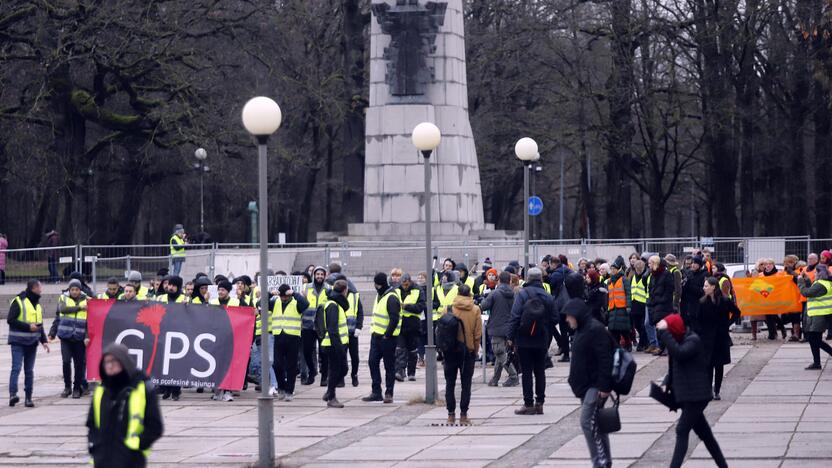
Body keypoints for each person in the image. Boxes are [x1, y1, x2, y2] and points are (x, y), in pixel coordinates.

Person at [657, 314, 728, 468]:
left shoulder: (692, 340)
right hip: (689, 395)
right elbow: (675, 365)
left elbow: (679, 354)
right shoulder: (680, 340)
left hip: (697, 396)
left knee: (681, 429)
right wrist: (666, 382)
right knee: (706, 436)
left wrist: (665, 332)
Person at [565, 274, 614, 468]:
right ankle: (605, 460)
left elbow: (605, 359)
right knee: (598, 424)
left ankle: (599, 462)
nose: (567, 320)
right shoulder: (582, 330)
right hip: (586, 385)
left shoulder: (594, 329)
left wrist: (604, 386)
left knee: (587, 422)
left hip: (595, 385)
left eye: (569, 316)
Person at [87, 343, 163, 467]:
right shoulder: (101, 391)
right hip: (103, 459)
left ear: (124, 362)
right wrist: (95, 446)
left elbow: (155, 426)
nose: (110, 366)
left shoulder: (143, 388)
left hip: (131, 459)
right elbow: (92, 424)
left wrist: (138, 444)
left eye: (114, 361)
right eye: (107, 362)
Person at [508, 267, 558, 415]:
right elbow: (555, 318)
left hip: (524, 339)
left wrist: (510, 337)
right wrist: (544, 325)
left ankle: (528, 404)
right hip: (542, 339)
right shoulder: (547, 296)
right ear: (541, 279)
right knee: (540, 371)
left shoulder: (523, 294)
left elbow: (515, 316)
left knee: (527, 372)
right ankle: (540, 403)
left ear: (528, 279)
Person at [443, 284, 482, 425]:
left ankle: (450, 415)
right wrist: (475, 350)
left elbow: (441, 331)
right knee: (466, 385)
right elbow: (477, 334)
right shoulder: (476, 310)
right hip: (468, 351)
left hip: (450, 351)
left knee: (450, 384)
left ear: (457, 293)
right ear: (470, 294)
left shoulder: (448, 309)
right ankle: (463, 415)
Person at [7, 279, 50, 407]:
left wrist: (44, 341)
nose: (41, 290)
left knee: (29, 371)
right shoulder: (18, 301)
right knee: (16, 368)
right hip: (18, 342)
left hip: (32, 342)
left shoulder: (37, 304)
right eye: (39, 287)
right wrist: (28, 327)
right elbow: (10, 320)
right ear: (33, 288)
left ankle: (28, 398)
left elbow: (39, 325)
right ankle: (13, 394)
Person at [697, 277, 740, 400]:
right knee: (708, 365)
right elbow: (697, 319)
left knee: (719, 364)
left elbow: (737, 312)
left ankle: (717, 390)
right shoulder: (702, 302)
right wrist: (700, 333)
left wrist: (727, 323)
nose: (704, 288)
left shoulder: (725, 301)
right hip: (707, 338)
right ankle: (708, 390)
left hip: (720, 337)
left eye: (706, 286)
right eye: (704, 286)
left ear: (713, 287)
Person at [363, 272, 401, 403]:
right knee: (372, 362)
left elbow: (394, 318)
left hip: (387, 339)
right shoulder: (379, 295)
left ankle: (389, 392)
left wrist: (387, 334)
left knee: (389, 366)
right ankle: (376, 391)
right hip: (376, 336)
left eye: (377, 284)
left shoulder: (391, 297)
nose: (375, 286)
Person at [49, 279, 90, 398]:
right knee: (66, 362)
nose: (74, 292)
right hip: (66, 337)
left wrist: (87, 336)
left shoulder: (87, 300)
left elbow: (89, 321)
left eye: (77, 289)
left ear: (80, 290)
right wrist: (80, 308)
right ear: (69, 290)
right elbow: (63, 310)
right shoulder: (63, 298)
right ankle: (67, 387)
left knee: (79, 364)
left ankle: (77, 388)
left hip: (79, 337)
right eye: (72, 289)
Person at [480, 271, 519, 387]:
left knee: (499, 352)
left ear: (499, 280)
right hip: (509, 327)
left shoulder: (495, 293)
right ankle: (495, 379)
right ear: (509, 281)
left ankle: (513, 376)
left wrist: (482, 300)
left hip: (497, 327)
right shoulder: (513, 294)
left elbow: (484, 306)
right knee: (500, 353)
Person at [271, 284, 309, 401]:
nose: (283, 299)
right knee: (277, 365)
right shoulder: (275, 302)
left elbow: (305, 305)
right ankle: (281, 388)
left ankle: (289, 390)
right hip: (278, 336)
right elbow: (261, 304)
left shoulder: (296, 302)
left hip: (293, 337)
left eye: (285, 296)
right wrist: (270, 294)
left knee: (291, 366)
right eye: (281, 296)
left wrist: (294, 294)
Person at [321, 280, 351, 408]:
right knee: (335, 370)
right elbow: (332, 329)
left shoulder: (337, 304)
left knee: (342, 369)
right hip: (333, 345)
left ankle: (329, 391)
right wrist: (338, 348)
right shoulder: (333, 305)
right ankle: (331, 397)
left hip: (339, 343)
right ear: (344, 290)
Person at [798, 266, 832, 369]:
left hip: (819, 315)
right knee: (815, 339)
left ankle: (818, 362)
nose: (815, 275)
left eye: (816, 273)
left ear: (819, 273)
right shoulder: (824, 283)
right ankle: (816, 363)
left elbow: (806, 292)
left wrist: (800, 282)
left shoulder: (821, 285)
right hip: (818, 315)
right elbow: (812, 289)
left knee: (813, 339)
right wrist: (807, 280)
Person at [302, 267, 328, 386]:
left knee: (324, 352)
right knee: (307, 351)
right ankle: (312, 371)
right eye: (317, 274)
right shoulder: (306, 288)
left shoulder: (328, 289)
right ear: (313, 275)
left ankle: (324, 376)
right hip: (307, 325)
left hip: (322, 326)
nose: (319, 276)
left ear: (325, 276)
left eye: (321, 274)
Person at [396, 273, 423, 383]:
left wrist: (407, 306)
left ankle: (411, 373)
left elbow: (421, 307)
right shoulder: (396, 290)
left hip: (413, 325)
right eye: (403, 284)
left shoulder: (418, 290)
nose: (405, 286)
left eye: (407, 284)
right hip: (400, 325)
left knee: (412, 350)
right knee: (400, 349)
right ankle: (400, 371)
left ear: (410, 282)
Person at [646, 255, 674, 356]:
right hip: (655, 305)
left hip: (664, 305)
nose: (648, 265)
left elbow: (670, 290)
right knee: (658, 328)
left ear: (655, 263)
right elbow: (650, 289)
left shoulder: (667, 274)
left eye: (650, 263)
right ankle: (661, 347)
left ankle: (667, 347)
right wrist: (652, 300)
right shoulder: (653, 275)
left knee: (665, 328)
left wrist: (661, 300)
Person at [606, 258, 631, 350]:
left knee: (623, 329)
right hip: (613, 308)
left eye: (614, 269)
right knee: (613, 329)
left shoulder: (624, 279)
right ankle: (616, 346)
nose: (612, 270)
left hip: (622, 307)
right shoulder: (610, 281)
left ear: (618, 269)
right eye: (611, 269)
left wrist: (628, 306)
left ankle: (628, 344)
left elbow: (628, 293)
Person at [760, 259, 787, 340]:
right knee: (768, 316)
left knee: (773, 315)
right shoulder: (761, 275)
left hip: (776, 297)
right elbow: (757, 285)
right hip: (765, 297)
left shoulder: (779, 274)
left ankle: (780, 329)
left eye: (770, 264)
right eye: (766, 264)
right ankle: (772, 333)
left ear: (773, 265)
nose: (768, 265)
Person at [681, 256, 706, 329]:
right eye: (692, 263)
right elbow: (684, 289)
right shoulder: (689, 273)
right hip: (687, 305)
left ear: (700, 265)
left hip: (698, 305)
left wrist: (690, 286)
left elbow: (703, 291)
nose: (693, 265)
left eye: (695, 263)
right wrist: (683, 284)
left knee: (697, 327)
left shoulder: (704, 274)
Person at [629, 259, 649, 351]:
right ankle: (645, 341)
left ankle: (642, 343)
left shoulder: (647, 276)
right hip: (634, 304)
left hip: (644, 303)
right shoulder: (633, 277)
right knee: (636, 325)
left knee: (643, 325)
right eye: (637, 269)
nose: (638, 270)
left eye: (640, 269)